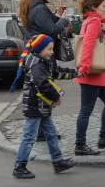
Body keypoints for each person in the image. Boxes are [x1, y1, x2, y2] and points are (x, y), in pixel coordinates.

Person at [13, 34, 78, 179]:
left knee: (51, 134)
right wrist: (56, 96)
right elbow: (43, 85)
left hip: (41, 106)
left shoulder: (42, 61)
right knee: (29, 137)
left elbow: (56, 73)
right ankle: (19, 166)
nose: (52, 52)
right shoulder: (37, 64)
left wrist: (75, 73)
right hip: (34, 106)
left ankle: (58, 161)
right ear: (40, 49)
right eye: (49, 49)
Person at [17, 0, 72, 142]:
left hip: (37, 52)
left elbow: (46, 24)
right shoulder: (39, 8)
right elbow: (52, 30)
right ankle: (40, 134)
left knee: (40, 92)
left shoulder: (36, 6)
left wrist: (57, 16)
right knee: (42, 91)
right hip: (40, 54)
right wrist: (64, 19)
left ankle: (45, 133)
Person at [74, 0, 105, 156]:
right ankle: (80, 145)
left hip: (98, 74)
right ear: (94, 7)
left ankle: (104, 138)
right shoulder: (94, 21)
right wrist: (85, 66)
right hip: (91, 73)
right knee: (86, 110)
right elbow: (88, 44)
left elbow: (102, 43)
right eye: (102, 5)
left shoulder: (91, 21)